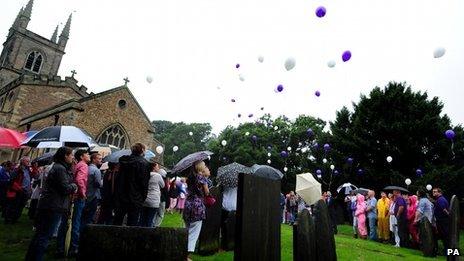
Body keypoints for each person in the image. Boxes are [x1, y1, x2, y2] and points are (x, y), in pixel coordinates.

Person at [25, 147, 78, 261]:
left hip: (50, 204)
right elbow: (65, 188)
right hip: (53, 206)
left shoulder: (60, 167)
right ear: (65, 156)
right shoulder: (60, 169)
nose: (73, 157)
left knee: (40, 235)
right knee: (44, 237)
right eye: (71, 155)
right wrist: (74, 186)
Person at [57, 149, 90, 256]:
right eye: (87, 154)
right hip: (78, 196)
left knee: (65, 222)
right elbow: (80, 180)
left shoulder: (75, 165)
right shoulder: (83, 165)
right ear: (81, 156)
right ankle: (73, 248)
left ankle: (60, 247)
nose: (88, 155)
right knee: (75, 222)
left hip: (70, 196)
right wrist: (83, 193)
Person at [113, 143, 150, 226]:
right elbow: (144, 183)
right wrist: (143, 197)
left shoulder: (123, 161)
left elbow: (118, 178)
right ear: (142, 150)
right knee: (132, 223)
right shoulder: (144, 164)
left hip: (121, 195)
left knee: (117, 221)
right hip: (136, 197)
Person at [183, 161, 209, 260]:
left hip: (188, 204)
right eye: (204, 165)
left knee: (187, 229)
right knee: (194, 233)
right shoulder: (202, 178)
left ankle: (182, 251)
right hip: (197, 206)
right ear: (201, 167)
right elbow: (206, 192)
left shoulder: (190, 177)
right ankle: (186, 256)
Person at [5, 156, 32, 224]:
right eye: (27, 161)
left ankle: (15, 218)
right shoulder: (17, 169)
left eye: (29, 161)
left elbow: (32, 178)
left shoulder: (28, 170)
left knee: (20, 206)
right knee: (14, 205)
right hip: (18, 190)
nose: (28, 163)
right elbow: (12, 180)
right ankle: (9, 219)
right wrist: (19, 188)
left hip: (25, 191)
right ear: (22, 161)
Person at [139, 159, 165, 227]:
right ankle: (148, 234)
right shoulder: (157, 176)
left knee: (142, 218)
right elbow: (163, 185)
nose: (158, 168)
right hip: (154, 200)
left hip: (145, 198)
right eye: (157, 167)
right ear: (153, 167)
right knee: (150, 219)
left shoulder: (145, 174)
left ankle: (140, 233)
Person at [81, 153, 103, 228]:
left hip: (85, 194)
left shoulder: (86, 168)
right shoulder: (96, 170)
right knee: (89, 217)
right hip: (93, 196)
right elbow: (98, 184)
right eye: (99, 159)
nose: (101, 160)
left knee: (83, 216)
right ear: (93, 159)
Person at [220, 184, 238, 251]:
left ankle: (224, 246)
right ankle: (231, 245)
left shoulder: (224, 182)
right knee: (233, 228)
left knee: (224, 228)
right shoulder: (238, 183)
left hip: (224, 205)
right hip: (234, 206)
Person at [432, 187, 450, 252]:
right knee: (443, 236)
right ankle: (445, 250)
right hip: (442, 221)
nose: (433, 193)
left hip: (442, 221)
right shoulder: (441, 199)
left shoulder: (440, 200)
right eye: (433, 191)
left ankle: (446, 251)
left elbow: (444, 209)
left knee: (445, 236)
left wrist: (449, 216)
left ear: (439, 192)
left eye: (435, 191)